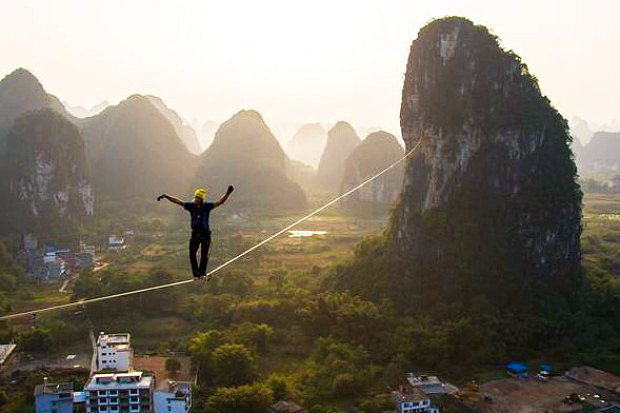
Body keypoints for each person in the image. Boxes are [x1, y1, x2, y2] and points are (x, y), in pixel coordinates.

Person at [157, 185, 234, 279]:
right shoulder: (191, 206)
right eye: (196, 197)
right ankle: (196, 274)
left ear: (201, 199)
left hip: (205, 235)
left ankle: (202, 273)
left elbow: (220, 202)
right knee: (192, 254)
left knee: (204, 255)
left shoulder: (207, 206)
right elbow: (178, 201)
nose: (196, 199)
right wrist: (166, 196)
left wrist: (227, 193)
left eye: (198, 198)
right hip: (195, 234)